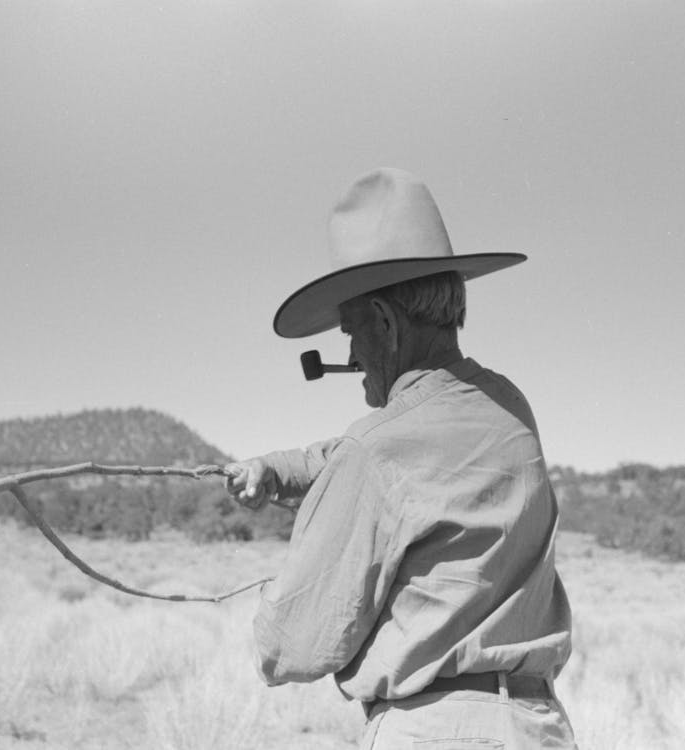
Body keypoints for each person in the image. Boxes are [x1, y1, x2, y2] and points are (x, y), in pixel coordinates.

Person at [225, 168, 576, 750]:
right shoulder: (509, 407)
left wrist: (283, 587)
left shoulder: (378, 448)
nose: (353, 355)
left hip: (434, 733)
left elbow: (290, 645)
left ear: (384, 324)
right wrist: (280, 469)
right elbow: (392, 452)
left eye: (351, 333)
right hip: (539, 727)